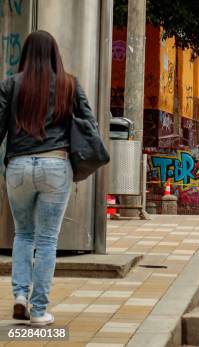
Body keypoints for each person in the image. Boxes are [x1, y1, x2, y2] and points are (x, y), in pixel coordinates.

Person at [0, 31, 100, 326]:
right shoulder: (70, 83)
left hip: (18, 168)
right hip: (56, 165)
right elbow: (90, 123)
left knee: (23, 234)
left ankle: (19, 295)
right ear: (56, 53)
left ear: (26, 54)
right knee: (46, 240)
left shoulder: (10, 84)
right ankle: (39, 309)